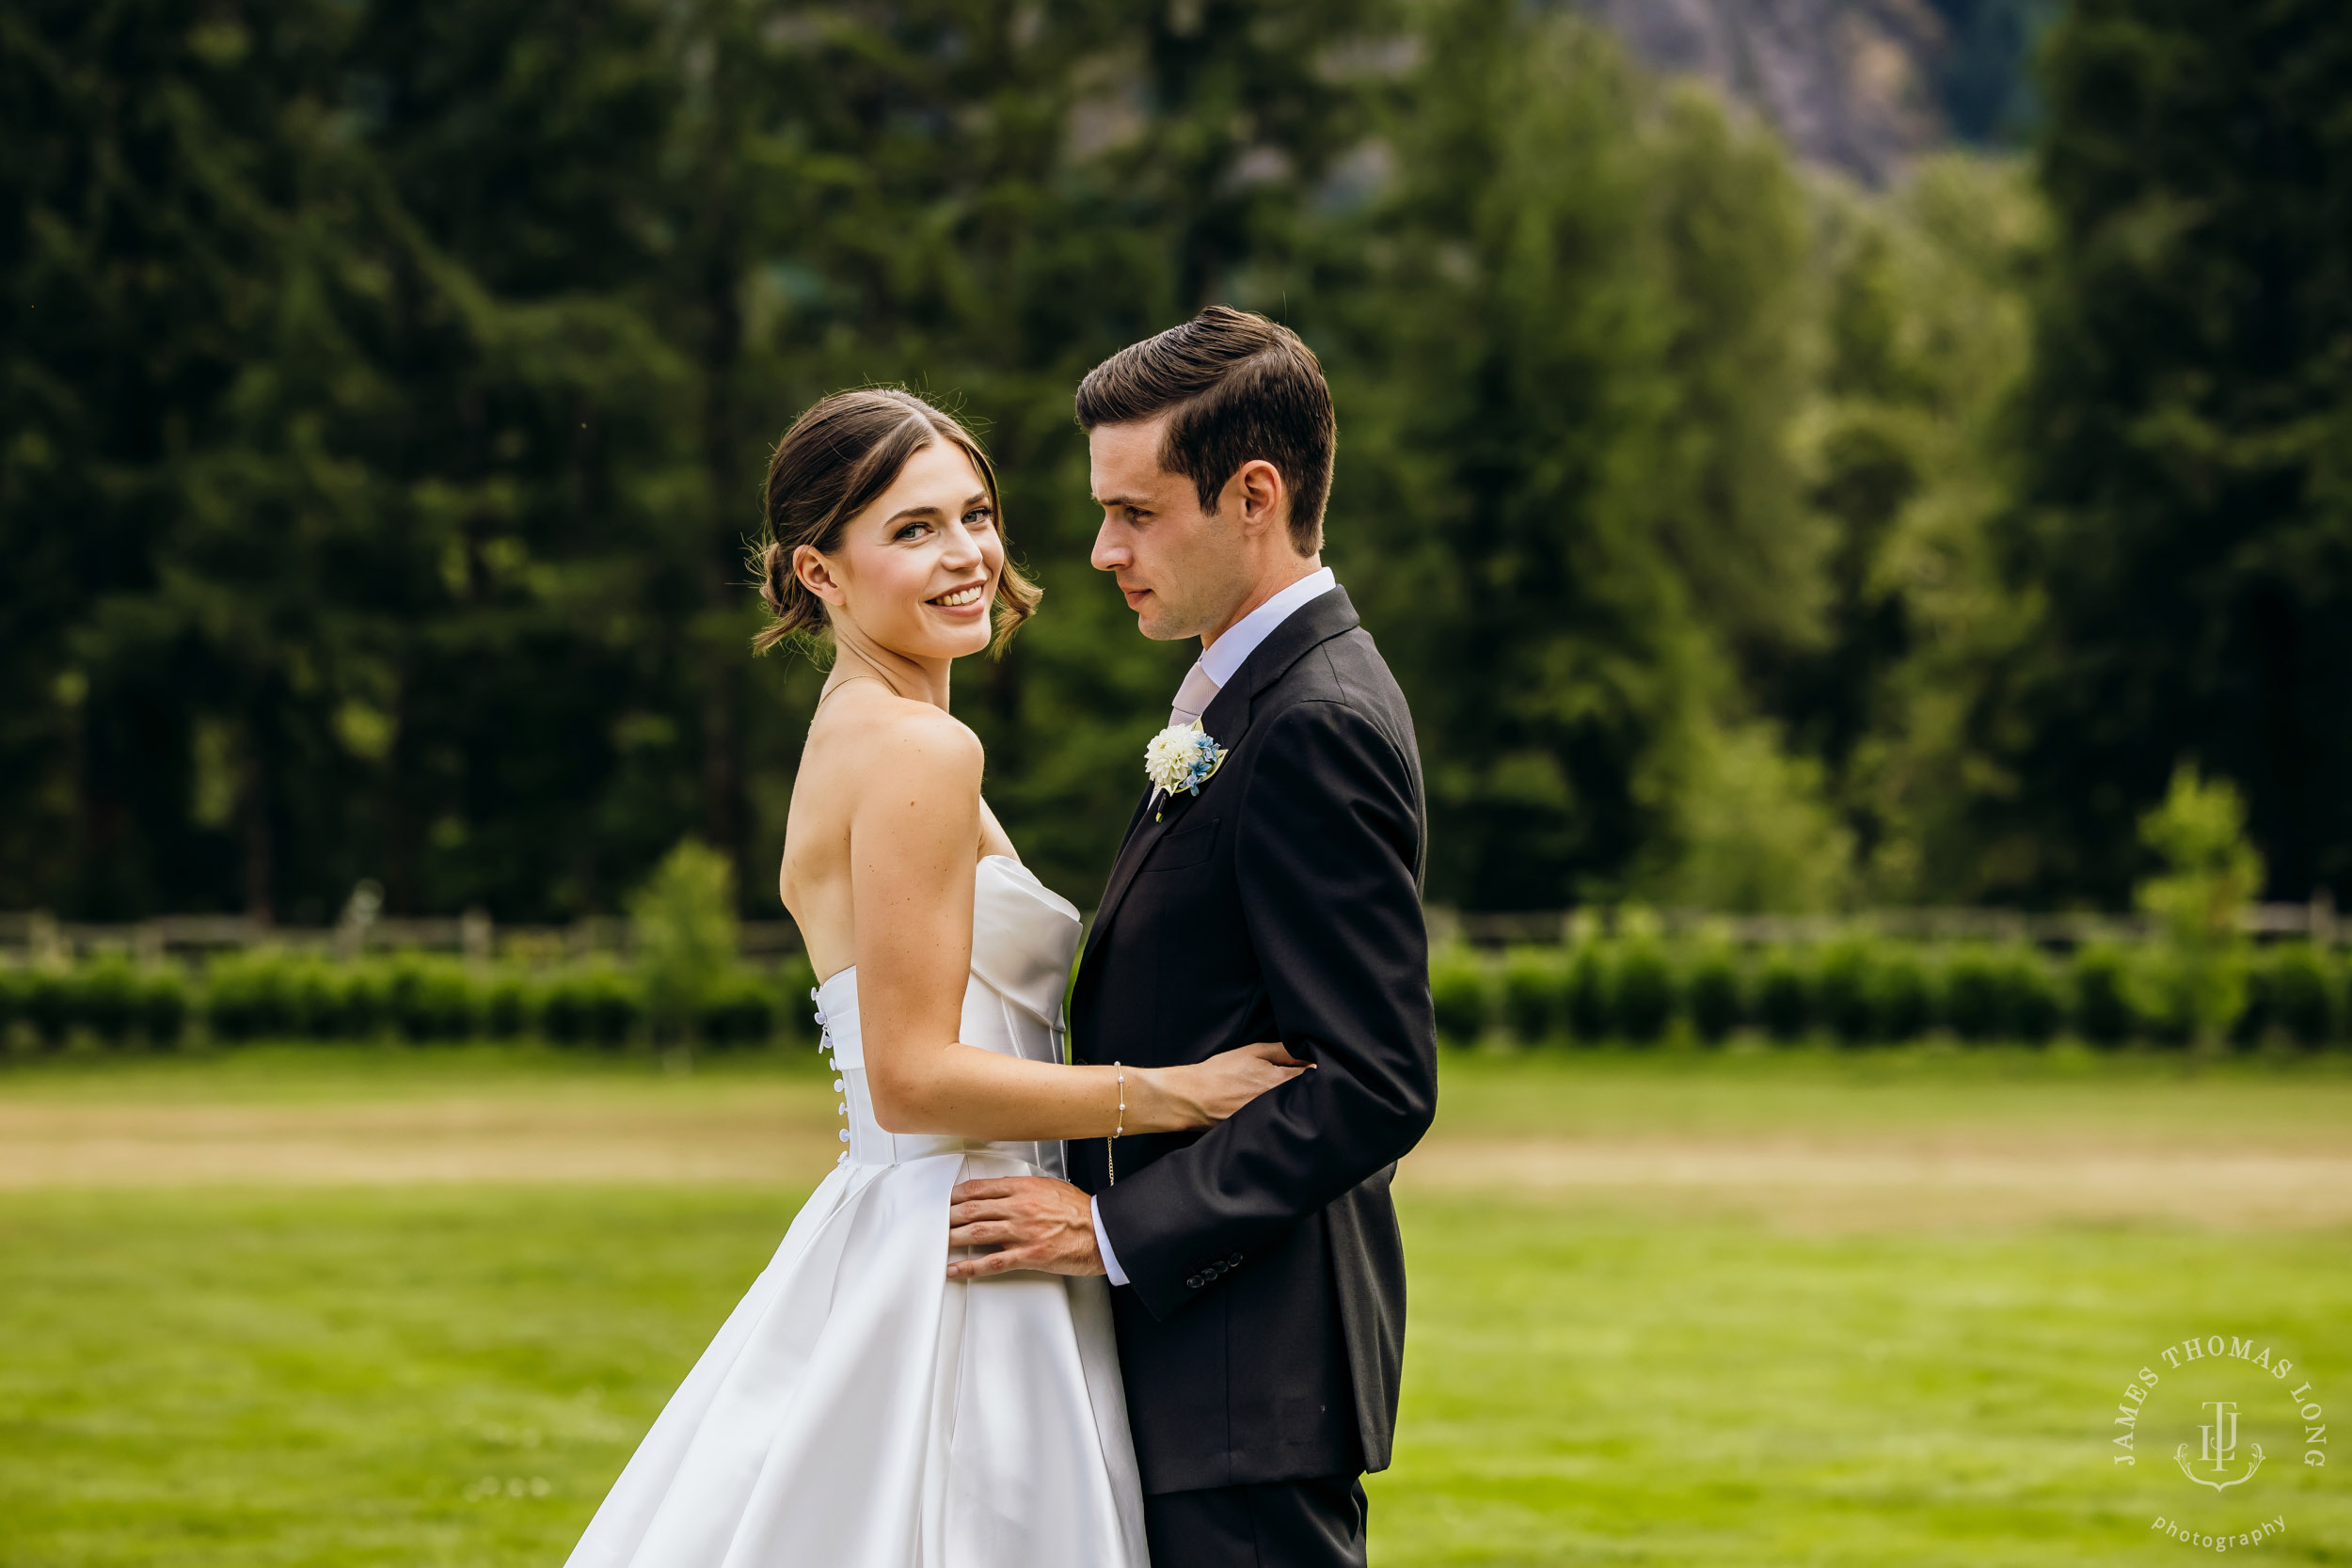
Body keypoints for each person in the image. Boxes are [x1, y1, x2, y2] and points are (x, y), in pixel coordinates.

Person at [563, 386, 1307, 1568]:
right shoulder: (919, 747)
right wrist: (1178, 1093)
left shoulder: (857, 727)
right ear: (819, 571)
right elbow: (911, 1075)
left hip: (917, 1219)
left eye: (975, 514)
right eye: (912, 529)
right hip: (969, 1241)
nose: (965, 554)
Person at [943, 308, 1438, 1568]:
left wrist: (1111, 1230)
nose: (1102, 549)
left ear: (1254, 495)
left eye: (1137, 512)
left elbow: (1374, 1080)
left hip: (1247, 1381)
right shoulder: (1248, 695)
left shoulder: (1315, 720)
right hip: (1203, 1375)